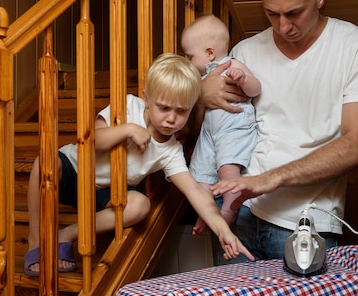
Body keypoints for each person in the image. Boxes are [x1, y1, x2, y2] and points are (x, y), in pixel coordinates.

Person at [200, 0, 358, 263]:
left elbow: (357, 145)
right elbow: (216, 126)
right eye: (271, 14)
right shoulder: (246, 51)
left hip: (306, 224)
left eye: (293, 13)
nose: (282, 26)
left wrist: (269, 179)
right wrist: (201, 95)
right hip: (238, 214)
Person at [24, 53, 253, 276]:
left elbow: (193, 190)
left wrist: (223, 231)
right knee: (44, 161)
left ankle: (69, 233)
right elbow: (91, 141)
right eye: (163, 108)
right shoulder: (127, 107)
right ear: (146, 98)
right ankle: (35, 241)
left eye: (181, 111)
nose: (171, 118)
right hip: (74, 171)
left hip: (106, 193)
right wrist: (129, 129)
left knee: (140, 206)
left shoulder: (171, 150)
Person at [180, 14, 261, 236]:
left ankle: (229, 207)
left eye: (190, 56)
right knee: (200, 176)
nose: (188, 61)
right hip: (210, 132)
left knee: (227, 170)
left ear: (209, 53)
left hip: (233, 128)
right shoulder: (201, 78)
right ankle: (206, 213)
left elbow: (255, 90)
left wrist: (243, 79)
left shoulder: (232, 64)